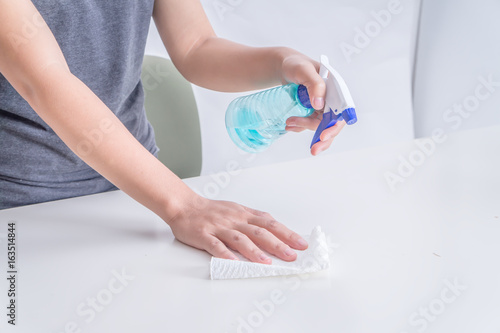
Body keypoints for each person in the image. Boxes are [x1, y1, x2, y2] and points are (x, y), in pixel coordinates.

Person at [0, 0, 345, 263]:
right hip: (19, 209)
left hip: (133, 194)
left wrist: (282, 64)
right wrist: (183, 206)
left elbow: (196, 46)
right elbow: (45, 80)